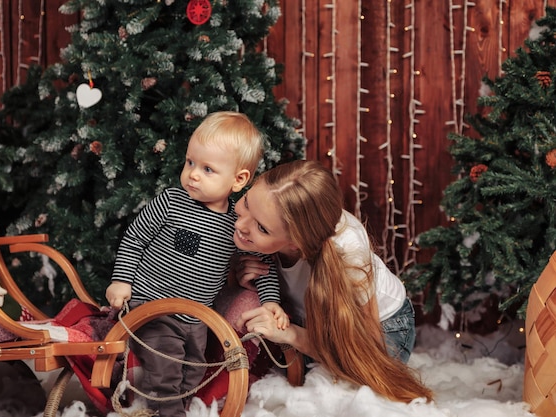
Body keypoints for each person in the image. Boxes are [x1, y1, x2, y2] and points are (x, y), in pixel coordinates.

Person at [105, 111, 288, 416]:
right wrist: (121, 280)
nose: (192, 174)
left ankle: (173, 408)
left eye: (207, 169)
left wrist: (271, 302)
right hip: (155, 308)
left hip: (199, 318)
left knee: (193, 373)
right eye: (190, 162)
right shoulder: (170, 202)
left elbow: (262, 265)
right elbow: (135, 238)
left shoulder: (237, 222)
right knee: (166, 372)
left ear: (239, 179)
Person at [229, 159, 434, 403]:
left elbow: (365, 351)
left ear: (296, 244)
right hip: (310, 321)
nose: (240, 224)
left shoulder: (347, 253)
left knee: (345, 398)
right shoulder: (259, 212)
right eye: (247, 202)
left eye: (262, 228)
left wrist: (291, 335)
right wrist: (239, 274)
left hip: (380, 330)